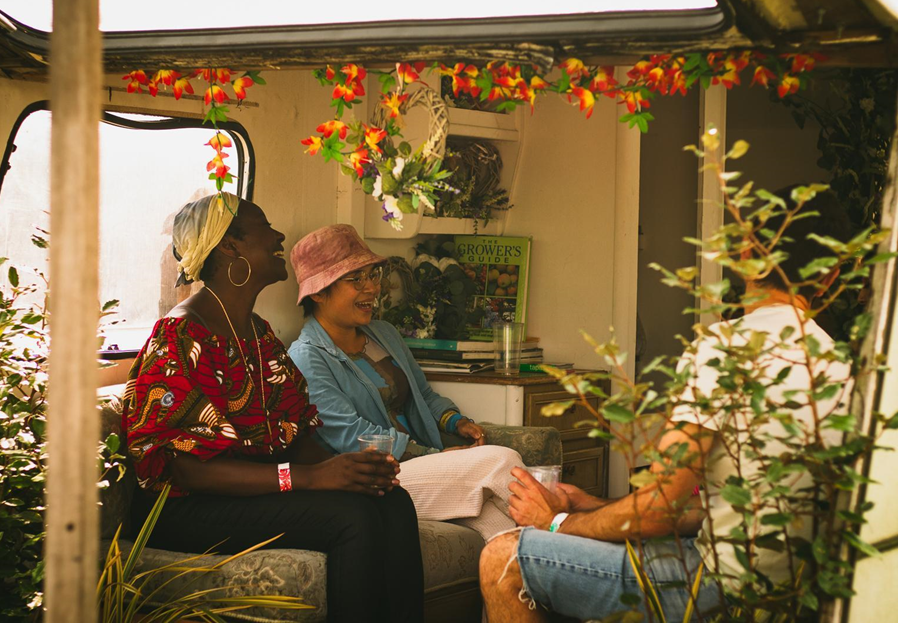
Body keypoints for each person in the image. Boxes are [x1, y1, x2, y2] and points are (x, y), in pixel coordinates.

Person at [478, 187, 853, 622]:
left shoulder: (726, 347)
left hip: (720, 591)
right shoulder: (843, 368)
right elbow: (717, 511)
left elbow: (660, 508)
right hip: (798, 596)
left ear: (747, 252)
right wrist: (594, 507)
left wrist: (556, 524)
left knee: (503, 558)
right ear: (831, 276)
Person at [122, 193, 424, 623]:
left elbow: (295, 435)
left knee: (391, 501)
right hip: (186, 507)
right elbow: (187, 471)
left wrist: (348, 471)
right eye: (264, 227)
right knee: (351, 517)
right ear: (231, 246)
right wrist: (309, 478)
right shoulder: (180, 335)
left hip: (253, 492)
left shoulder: (258, 334)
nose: (279, 235)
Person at [287, 224, 526, 540]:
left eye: (372, 275)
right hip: (379, 478)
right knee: (502, 460)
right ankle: (564, 526)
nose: (372, 288)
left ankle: (543, 567)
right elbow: (351, 437)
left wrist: (455, 421)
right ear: (318, 292)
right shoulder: (305, 357)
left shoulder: (383, 333)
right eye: (356, 279)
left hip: (422, 466)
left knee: (499, 527)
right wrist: (431, 456)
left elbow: (422, 394)